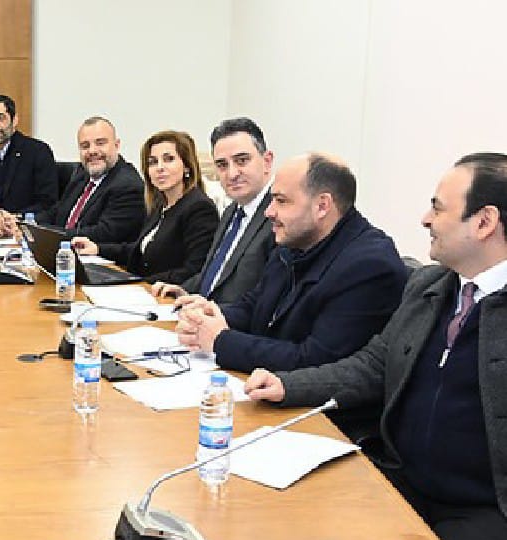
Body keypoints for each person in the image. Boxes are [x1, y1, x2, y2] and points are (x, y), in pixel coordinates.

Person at [245, 153, 507, 540]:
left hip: (486, 511)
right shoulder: (429, 288)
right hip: (402, 479)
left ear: (484, 222)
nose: (425, 219)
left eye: (438, 208)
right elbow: (373, 365)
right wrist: (289, 385)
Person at [175, 153, 407, 376]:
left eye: (281, 201)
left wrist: (221, 340)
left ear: (322, 206)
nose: (269, 212)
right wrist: (212, 316)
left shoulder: (369, 266)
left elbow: (315, 361)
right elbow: (255, 306)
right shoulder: (295, 241)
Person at [152, 117, 276, 303]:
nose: (232, 174)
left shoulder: (279, 216)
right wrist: (184, 290)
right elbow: (215, 273)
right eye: (222, 165)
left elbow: (267, 298)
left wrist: (213, 310)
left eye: (242, 161)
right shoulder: (231, 211)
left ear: (267, 161)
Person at [71, 130, 217, 283]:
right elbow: (139, 250)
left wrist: (139, 283)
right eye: (152, 162)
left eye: (168, 159)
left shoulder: (199, 208)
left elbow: (194, 271)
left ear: (187, 166)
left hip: (164, 293)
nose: (159, 168)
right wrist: (97, 248)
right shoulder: (159, 205)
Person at [0, 116, 145, 243]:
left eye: (100, 143)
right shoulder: (82, 174)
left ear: (116, 145)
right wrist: (21, 222)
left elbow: (102, 234)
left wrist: (36, 232)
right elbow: (57, 212)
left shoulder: (128, 185)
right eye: (85, 146)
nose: (92, 151)